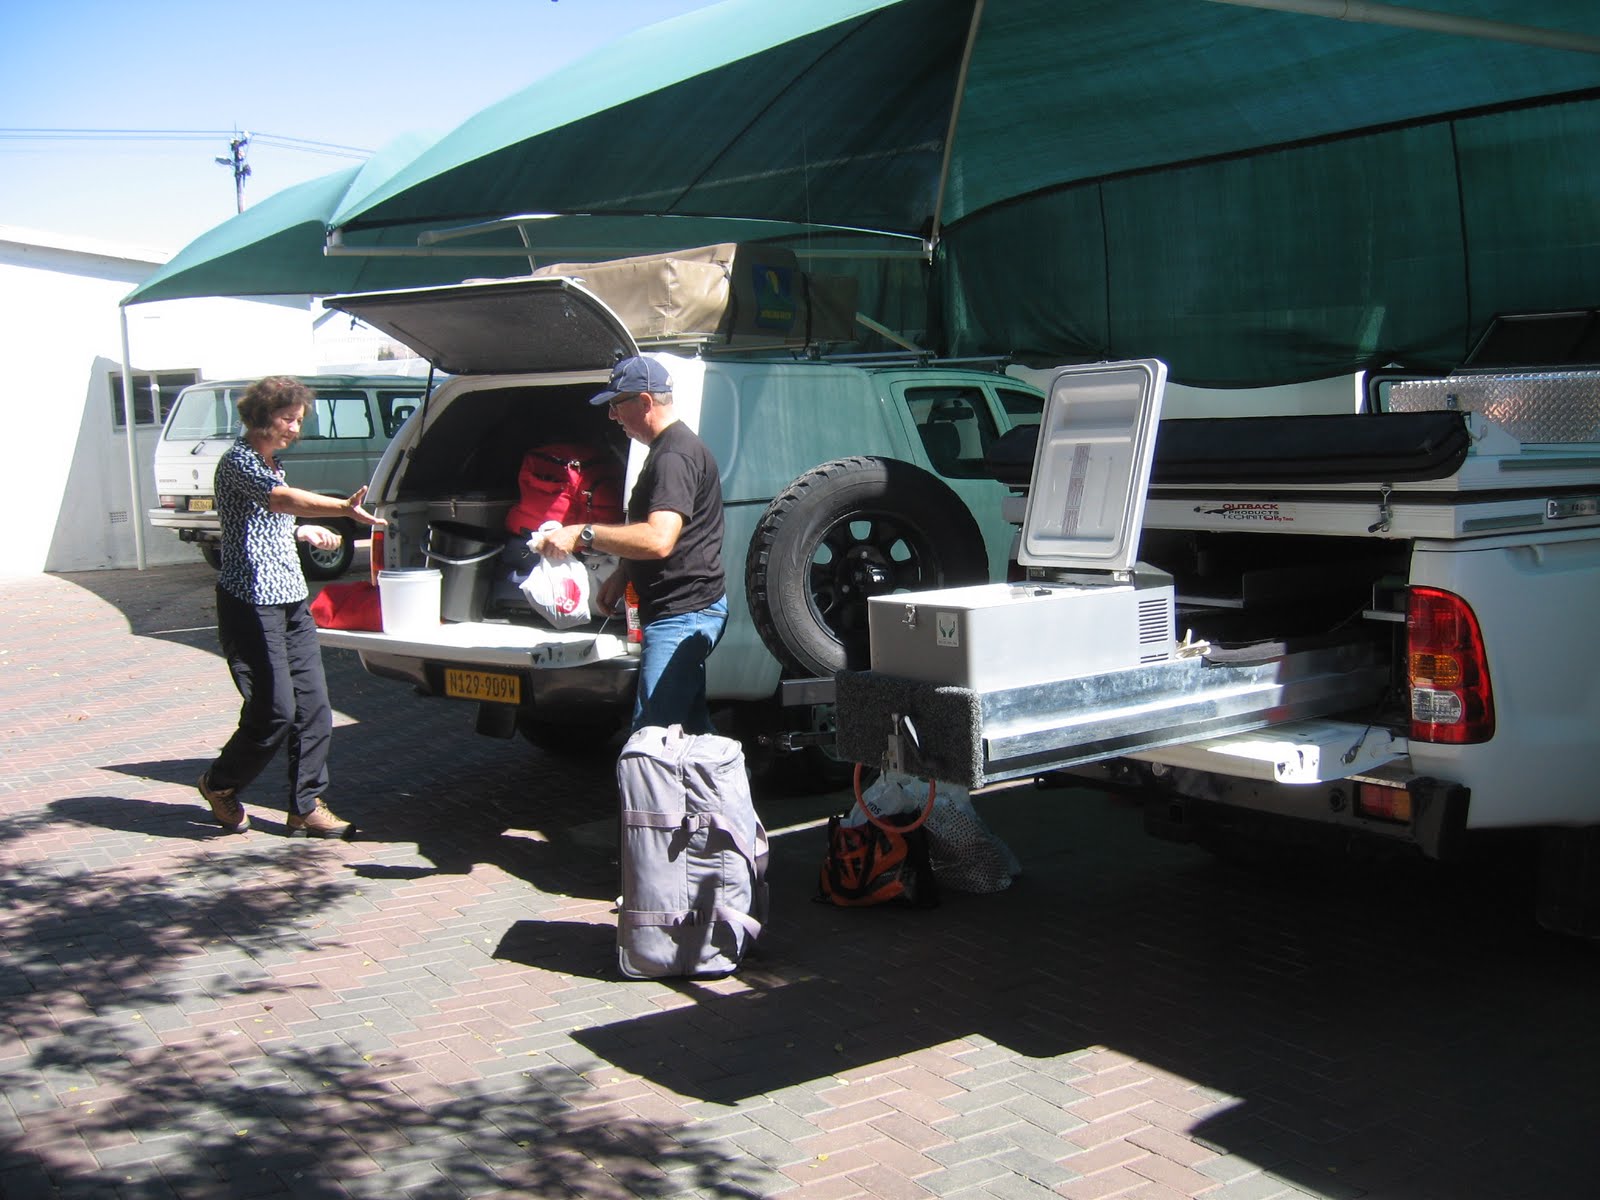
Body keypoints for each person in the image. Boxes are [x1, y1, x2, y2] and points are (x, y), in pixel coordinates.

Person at [196, 376, 383, 837]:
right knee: (275, 711)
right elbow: (278, 499)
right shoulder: (239, 461)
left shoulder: (272, 463)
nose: (295, 428)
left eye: (298, 420)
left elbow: (265, 518)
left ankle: (306, 806)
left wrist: (301, 531)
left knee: (315, 708)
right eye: (287, 419)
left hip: (291, 598)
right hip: (251, 602)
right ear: (261, 417)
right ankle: (220, 783)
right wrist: (341, 509)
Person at [535, 356, 727, 734]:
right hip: (679, 610)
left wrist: (583, 532)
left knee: (652, 737)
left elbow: (659, 539)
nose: (612, 416)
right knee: (688, 734)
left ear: (644, 401)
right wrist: (624, 571)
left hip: (683, 613)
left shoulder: (674, 456)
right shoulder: (665, 449)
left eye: (616, 404)